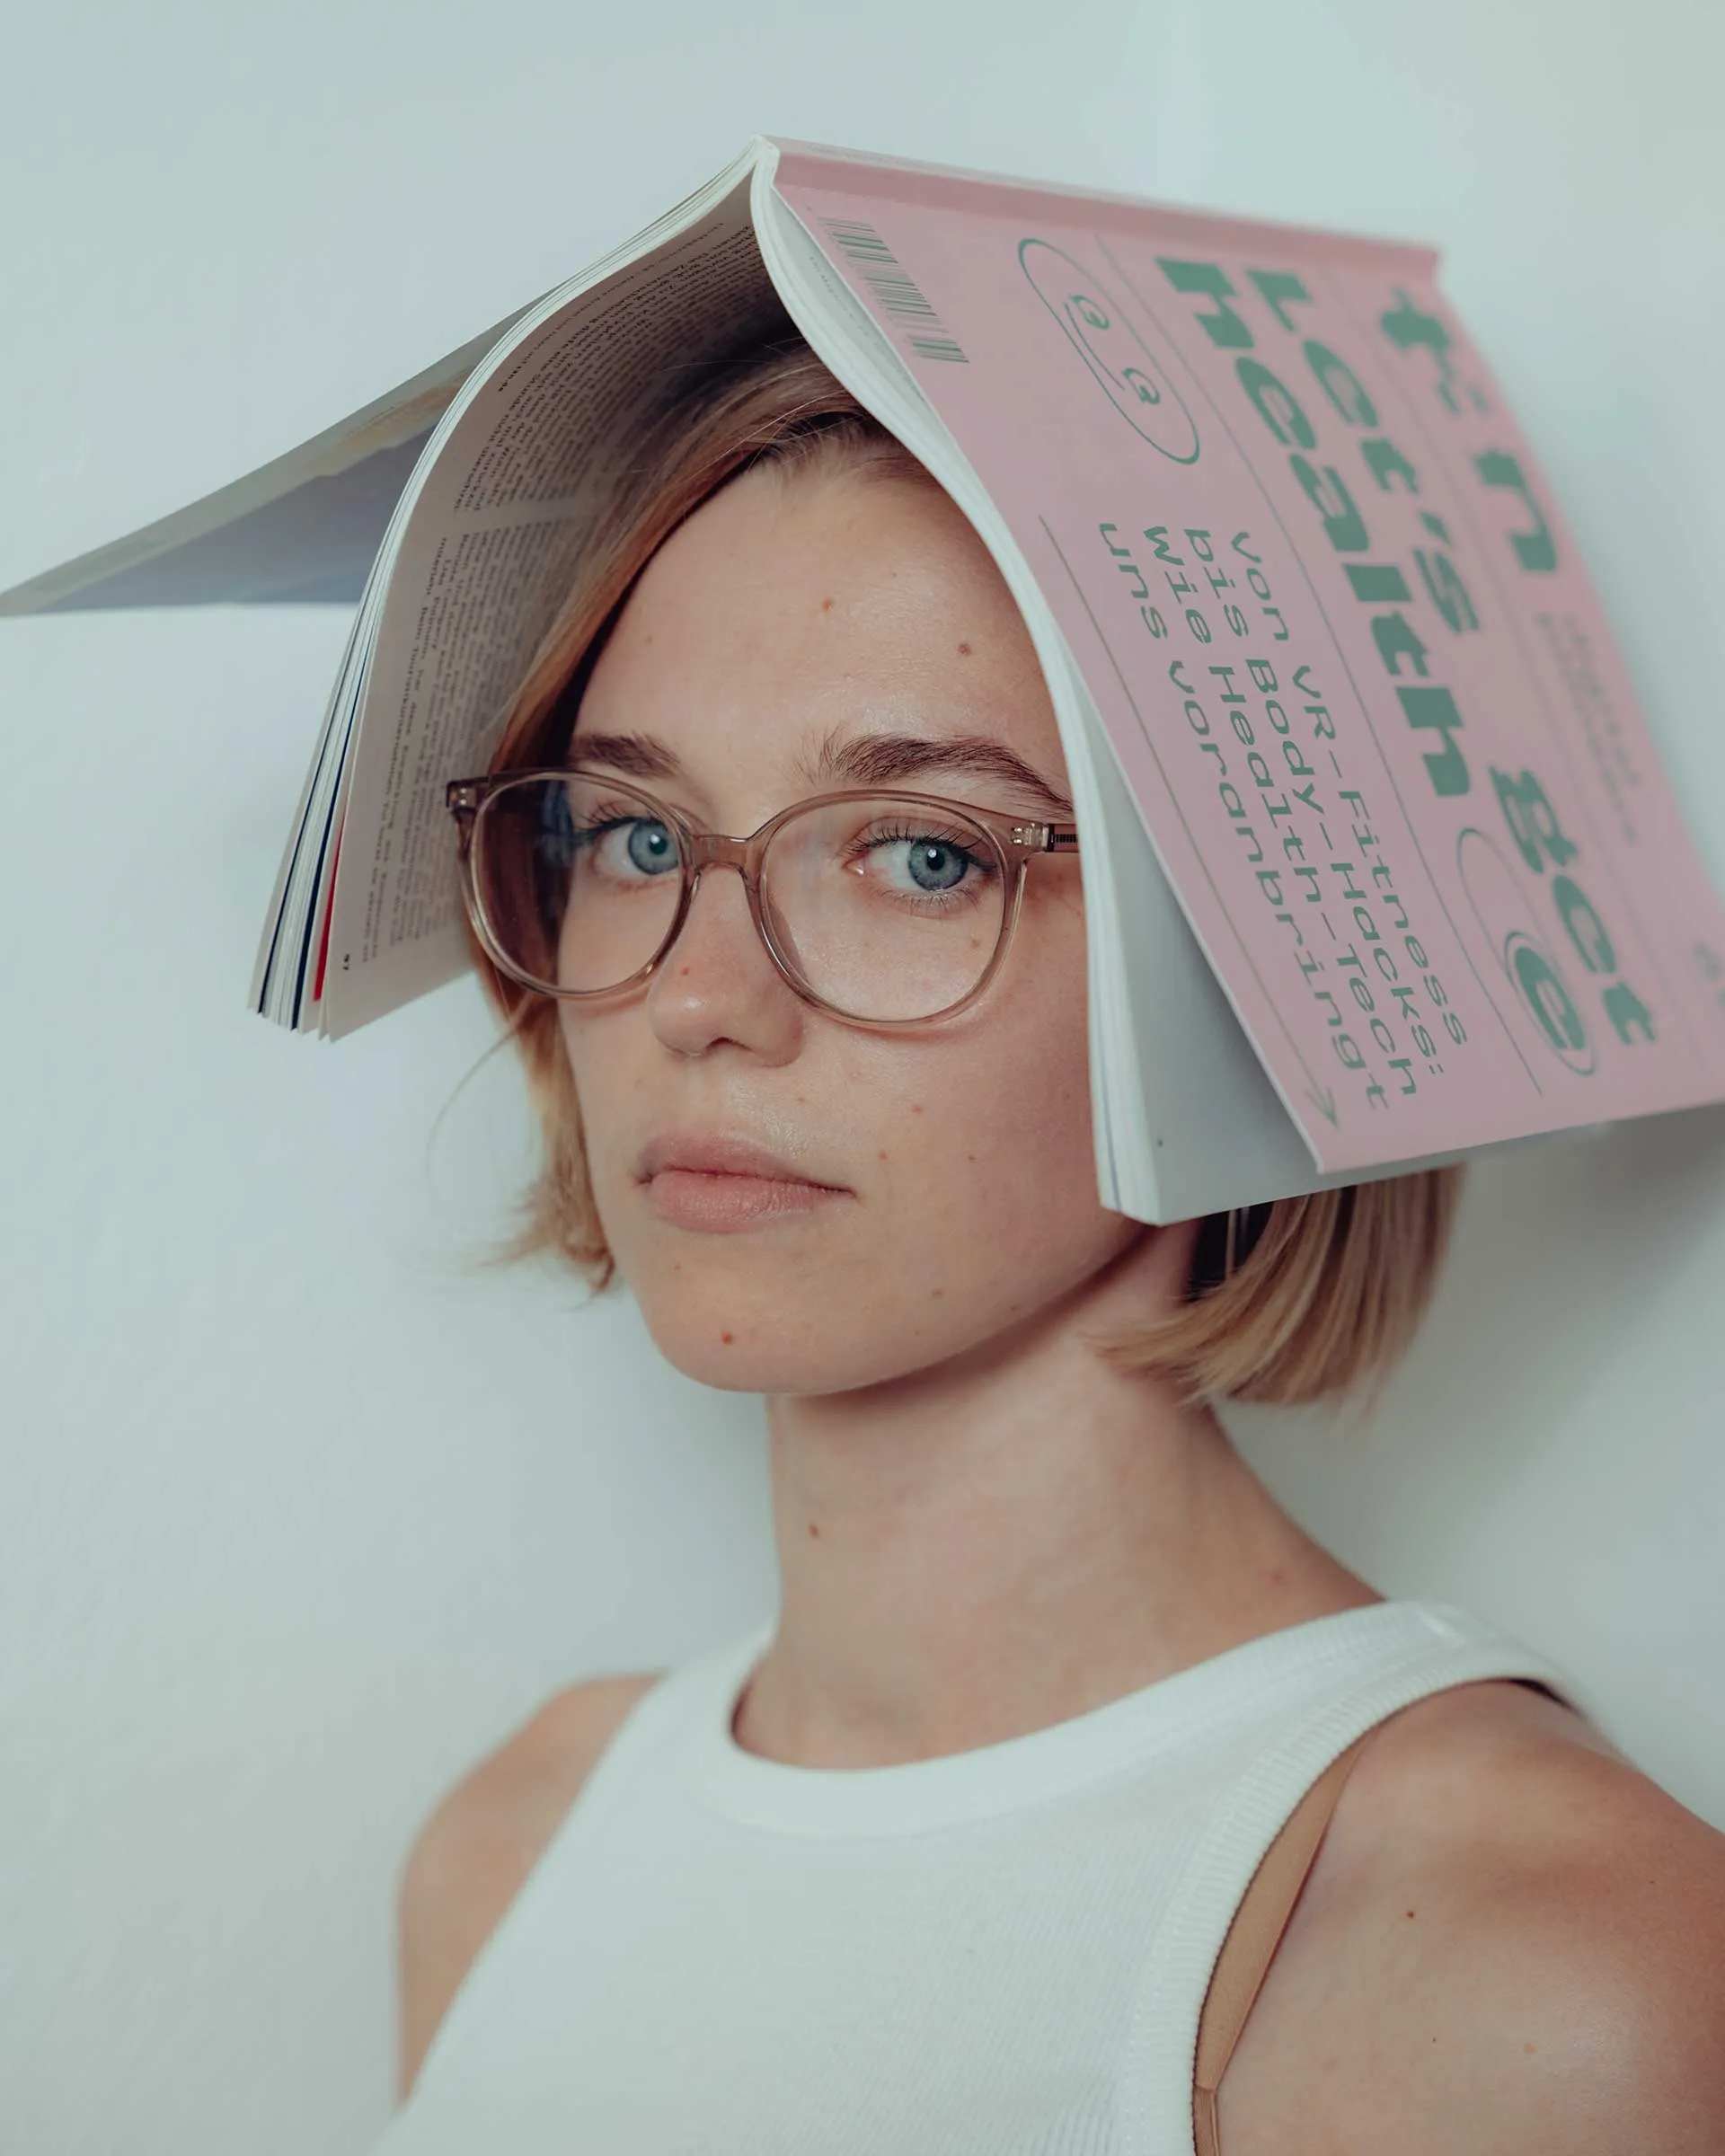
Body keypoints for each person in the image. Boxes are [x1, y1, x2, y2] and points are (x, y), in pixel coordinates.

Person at [381, 339, 1725, 2152]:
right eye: (635, 832)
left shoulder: (1542, 1972)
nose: (698, 994)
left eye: (922, 854)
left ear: (1254, 963)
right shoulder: (506, 1853)